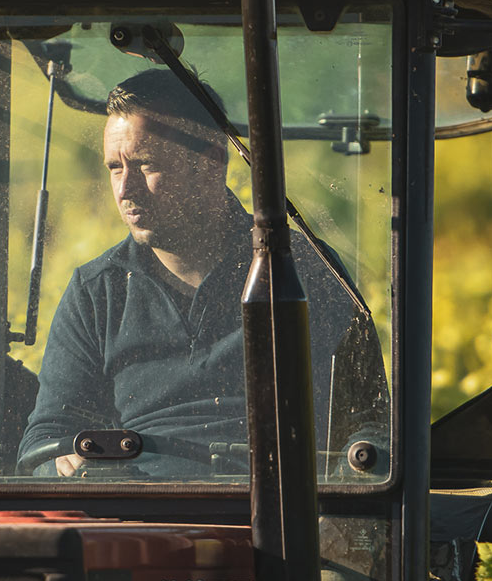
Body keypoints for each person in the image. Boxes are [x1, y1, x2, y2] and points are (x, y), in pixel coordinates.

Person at [20, 68, 380, 477]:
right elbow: (46, 440)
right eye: (115, 168)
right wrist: (63, 466)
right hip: (137, 519)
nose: (125, 190)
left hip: (276, 517)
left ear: (211, 162)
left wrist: (338, 514)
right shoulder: (96, 292)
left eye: (145, 165)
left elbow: (370, 429)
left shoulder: (304, 272)